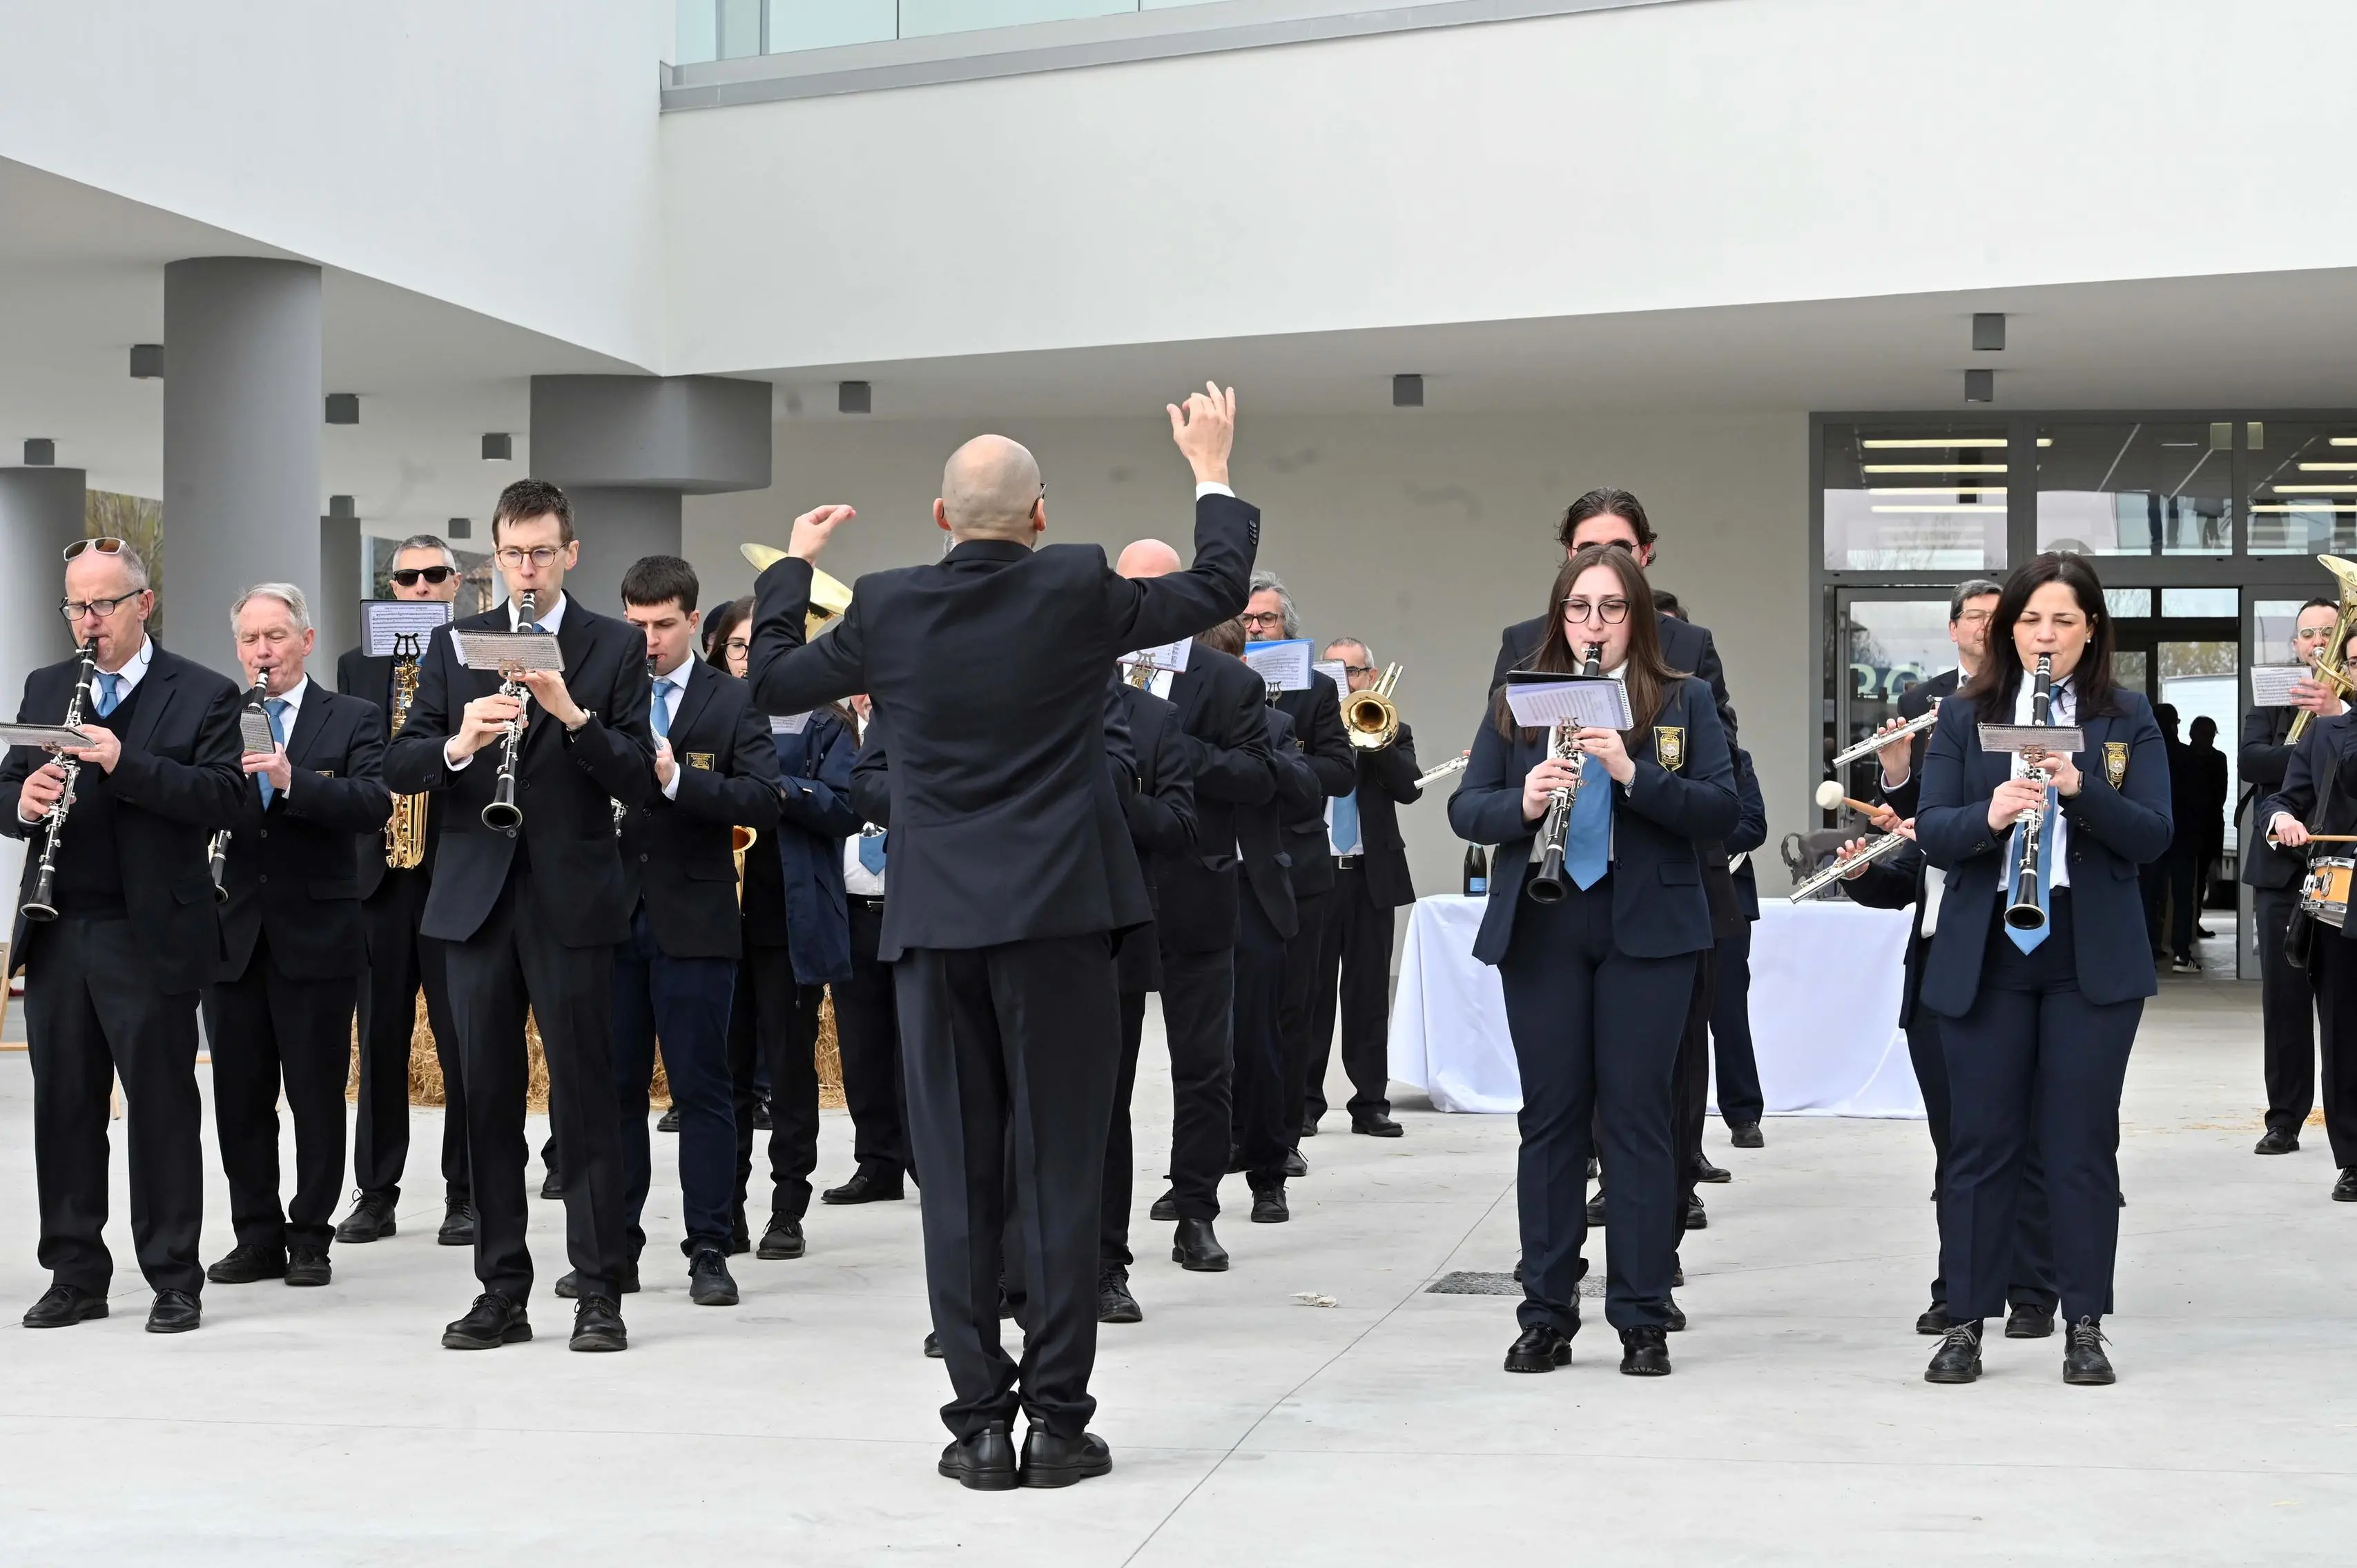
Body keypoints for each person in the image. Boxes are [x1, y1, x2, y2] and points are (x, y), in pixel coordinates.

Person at [743, 387, 1254, 1491]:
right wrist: (1209, 469)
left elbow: (771, 677)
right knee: (1061, 1171)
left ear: (940, 516)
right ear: (1039, 515)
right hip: (1060, 922)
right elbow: (1217, 589)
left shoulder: (887, 605)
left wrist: (792, 565)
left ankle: (979, 1424)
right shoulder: (1074, 586)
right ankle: (1058, 1422)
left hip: (936, 928)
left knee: (959, 1179)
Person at [1450, 543, 1738, 1380]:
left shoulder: (1682, 699)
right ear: (1560, 617)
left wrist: (1631, 772)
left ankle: (1642, 1316)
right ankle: (1545, 1313)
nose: (1595, 624)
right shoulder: (1520, 700)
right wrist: (1525, 800)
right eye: (1580, 608)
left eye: (1612, 608)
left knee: (1639, 1120)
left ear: (1637, 618)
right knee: (1550, 1121)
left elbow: (1722, 808)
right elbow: (1468, 808)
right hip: (1544, 922)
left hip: (1649, 926)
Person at [383, 477, 657, 1355]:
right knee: (486, 1101)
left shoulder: (613, 645)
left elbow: (635, 776)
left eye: (542, 552)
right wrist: (462, 741)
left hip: (571, 898)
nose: (527, 569)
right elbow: (402, 764)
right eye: (512, 554)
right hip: (475, 902)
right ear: (494, 559)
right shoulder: (454, 643)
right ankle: (501, 1290)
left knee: (586, 1100)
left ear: (570, 553)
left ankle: (600, 1291)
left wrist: (569, 714)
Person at [1915, 552, 2171, 1387]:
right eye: (2030, 620)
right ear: (2008, 630)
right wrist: (1990, 813)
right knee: (1980, 1146)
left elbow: (2154, 835)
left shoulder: (2126, 716)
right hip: (1987, 949)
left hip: (2086, 953)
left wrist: (2082, 788)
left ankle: (2084, 1323)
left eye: (2064, 620)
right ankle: (1965, 1323)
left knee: (2080, 1145)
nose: (2045, 636)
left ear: (2091, 629)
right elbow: (1935, 830)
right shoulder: (1965, 715)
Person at [3, 537, 245, 1333]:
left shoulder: (205, 693)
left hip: (151, 933)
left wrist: (122, 761)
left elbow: (225, 799)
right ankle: (75, 1274)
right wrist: (24, 803)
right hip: (59, 926)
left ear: (144, 604)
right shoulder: (48, 686)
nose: (88, 621)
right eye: (76, 606)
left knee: (161, 1106)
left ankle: (174, 1276)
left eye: (103, 604)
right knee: (64, 1106)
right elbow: (6, 787)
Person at [202, 584, 393, 1292]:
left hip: (316, 934)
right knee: (240, 1098)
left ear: (306, 641)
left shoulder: (353, 716)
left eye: (276, 636)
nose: (263, 651)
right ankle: (255, 1235)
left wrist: (293, 780)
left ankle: (311, 1234)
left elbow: (373, 803)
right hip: (231, 934)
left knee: (315, 1095)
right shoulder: (218, 718)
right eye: (250, 639)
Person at [606, 556, 783, 1307]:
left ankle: (710, 1246)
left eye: (662, 625)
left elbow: (765, 798)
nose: (648, 640)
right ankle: (612, 1250)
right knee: (614, 1093)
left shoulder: (732, 699)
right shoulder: (599, 691)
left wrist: (679, 782)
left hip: (697, 919)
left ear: (692, 621)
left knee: (704, 1089)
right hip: (610, 918)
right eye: (635, 625)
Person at [1830, 815, 2060, 1339]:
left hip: (2007, 955)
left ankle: (2031, 1288)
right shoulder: (1943, 801)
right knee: (1957, 1144)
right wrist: (1863, 873)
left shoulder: (2009, 799)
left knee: (2023, 1136)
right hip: (1940, 971)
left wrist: (1950, 833)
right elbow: (1903, 883)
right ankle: (1959, 1287)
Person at [1114, 541, 1275, 1274]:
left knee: (1204, 1067)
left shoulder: (1228, 679)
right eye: (1132, 587)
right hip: (1107, 898)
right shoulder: (1084, 672)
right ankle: (1102, 1239)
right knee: (1104, 1073)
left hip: (1197, 888)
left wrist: (1172, 751)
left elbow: (1258, 777)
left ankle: (1196, 1209)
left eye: (1158, 587)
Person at [336, 533, 474, 1247]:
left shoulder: (476, 655)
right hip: (381, 873)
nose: (420, 586)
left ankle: (467, 1191)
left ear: (456, 584)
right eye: (407, 578)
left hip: (450, 869)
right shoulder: (356, 664)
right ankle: (376, 1192)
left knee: (462, 1040)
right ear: (391, 587)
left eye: (434, 575)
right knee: (380, 1037)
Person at [1201, 615, 1321, 1224]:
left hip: (1255, 894)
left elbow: (1306, 792)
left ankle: (1268, 1174)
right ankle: (1194, 1175)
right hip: (1195, 890)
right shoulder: (1173, 723)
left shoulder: (1274, 725)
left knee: (1260, 1043)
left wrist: (1257, 753)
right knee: (1198, 1051)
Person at [1246, 574, 1357, 1168]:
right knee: (1230, 1012)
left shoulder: (1316, 689)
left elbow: (1341, 771)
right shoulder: (1215, 681)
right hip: (1235, 866)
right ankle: (1231, 1134)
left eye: (1266, 618)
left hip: (1299, 866)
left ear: (1287, 627)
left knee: (1294, 1009)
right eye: (1246, 620)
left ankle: (1285, 1135)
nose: (1256, 628)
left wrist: (1283, 763)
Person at [1099, 672, 1196, 1323]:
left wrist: (1118, 795)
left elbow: (1181, 824)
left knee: (1107, 1111)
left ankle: (1106, 1266)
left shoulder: (1153, 719)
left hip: (1110, 938)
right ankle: (997, 1275)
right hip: (1008, 929)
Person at [1303, 636, 1422, 1139]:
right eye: (1332, 672)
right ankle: (1304, 1104)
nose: (1343, 682)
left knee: (1368, 995)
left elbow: (1410, 789)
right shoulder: (1305, 729)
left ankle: (1370, 1103)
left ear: (1370, 677)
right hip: (1316, 875)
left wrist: (1376, 742)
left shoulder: (1393, 728)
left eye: (1352, 672)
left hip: (1371, 877)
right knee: (1309, 995)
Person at [2258, 624, 2357, 1205]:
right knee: (2342, 1027)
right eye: (2354, 661)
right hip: (2341, 897)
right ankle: (2354, 1156)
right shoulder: (2326, 730)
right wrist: (2282, 819)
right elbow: (2283, 797)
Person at [2242, 598, 2343, 1154]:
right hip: (2281, 868)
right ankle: (2285, 1118)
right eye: (2308, 634)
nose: (2318, 643)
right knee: (2284, 1001)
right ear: (2296, 644)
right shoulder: (2276, 692)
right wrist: (2316, 743)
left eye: (2329, 632)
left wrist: (2336, 717)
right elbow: (2251, 761)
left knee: (2344, 1003)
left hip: (2343, 867)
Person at [1706, 745, 1767, 1143]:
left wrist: (1698, 841)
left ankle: (1743, 1113)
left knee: (1728, 1009)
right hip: (1664, 895)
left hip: (1727, 894)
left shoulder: (1735, 759)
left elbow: (1754, 826)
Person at [2166, 715, 2228, 971]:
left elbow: (2219, 796)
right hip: (2185, 833)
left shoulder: (2217, 758)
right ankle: (2178, 948)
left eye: (2211, 734)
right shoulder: (2184, 757)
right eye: (2204, 734)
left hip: (2203, 832)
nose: (2208, 739)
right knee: (2179, 892)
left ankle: (2190, 931)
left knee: (2197, 884)